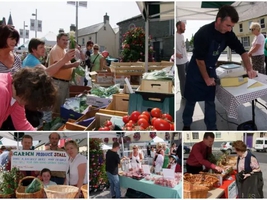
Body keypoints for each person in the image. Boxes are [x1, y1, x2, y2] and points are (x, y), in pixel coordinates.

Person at [182, 5, 257, 131]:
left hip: (210, 69)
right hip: (195, 70)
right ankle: (186, 124)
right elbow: (199, 60)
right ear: (218, 20)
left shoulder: (228, 34)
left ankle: (212, 128)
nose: (230, 29)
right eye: (228, 25)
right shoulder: (203, 33)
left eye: (232, 26)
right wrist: (206, 78)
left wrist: (249, 68)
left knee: (210, 102)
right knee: (191, 101)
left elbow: (243, 52)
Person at [48, 32, 80, 114]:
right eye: (63, 40)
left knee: (63, 106)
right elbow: (59, 65)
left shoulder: (62, 49)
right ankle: (57, 124)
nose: (65, 42)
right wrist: (73, 65)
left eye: (67, 40)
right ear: (58, 40)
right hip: (59, 82)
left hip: (63, 82)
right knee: (58, 107)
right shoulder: (56, 49)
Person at [176, 21, 188, 98]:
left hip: (186, 60)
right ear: (178, 26)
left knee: (188, 77)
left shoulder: (182, 36)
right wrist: (176, 54)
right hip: (180, 62)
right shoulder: (175, 36)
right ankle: (183, 95)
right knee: (182, 79)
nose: (185, 28)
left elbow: (183, 47)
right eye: (183, 27)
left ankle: (187, 91)